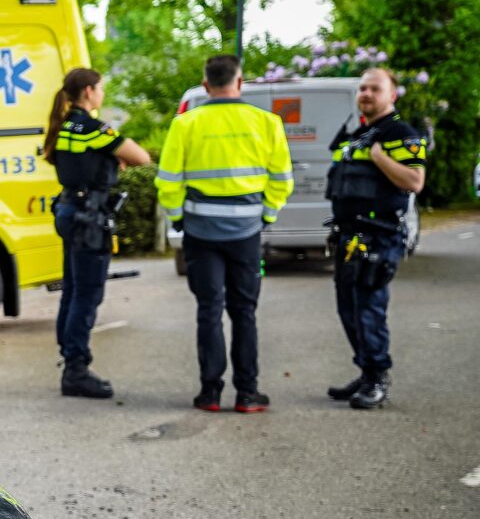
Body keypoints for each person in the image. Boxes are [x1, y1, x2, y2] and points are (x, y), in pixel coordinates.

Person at [155, 55, 292, 413]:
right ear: (240, 82)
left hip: (200, 232)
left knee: (209, 311)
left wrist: (178, 218)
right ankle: (247, 394)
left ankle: (209, 393)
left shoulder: (185, 124)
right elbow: (282, 180)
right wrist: (267, 215)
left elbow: (168, 182)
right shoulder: (267, 123)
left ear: (205, 86)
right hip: (246, 232)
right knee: (244, 312)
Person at [323, 66, 427, 410]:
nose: (366, 94)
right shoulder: (354, 134)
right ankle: (366, 371)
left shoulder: (401, 133)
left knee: (369, 308)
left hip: (379, 237)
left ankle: (378, 378)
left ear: (391, 95)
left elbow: (414, 181)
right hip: (348, 237)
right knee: (348, 308)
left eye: (375, 89)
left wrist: (381, 158)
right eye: (362, 89)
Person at [42, 66, 150, 398]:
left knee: (73, 291)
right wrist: (114, 160)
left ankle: (70, 359)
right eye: (100, 88)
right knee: (87, 294)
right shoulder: (92, 128)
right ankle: (76, 369)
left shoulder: (63, 128)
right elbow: (141, 157)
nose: (102, 94)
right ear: (88, 92)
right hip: (89, 218)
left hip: (69, 212)